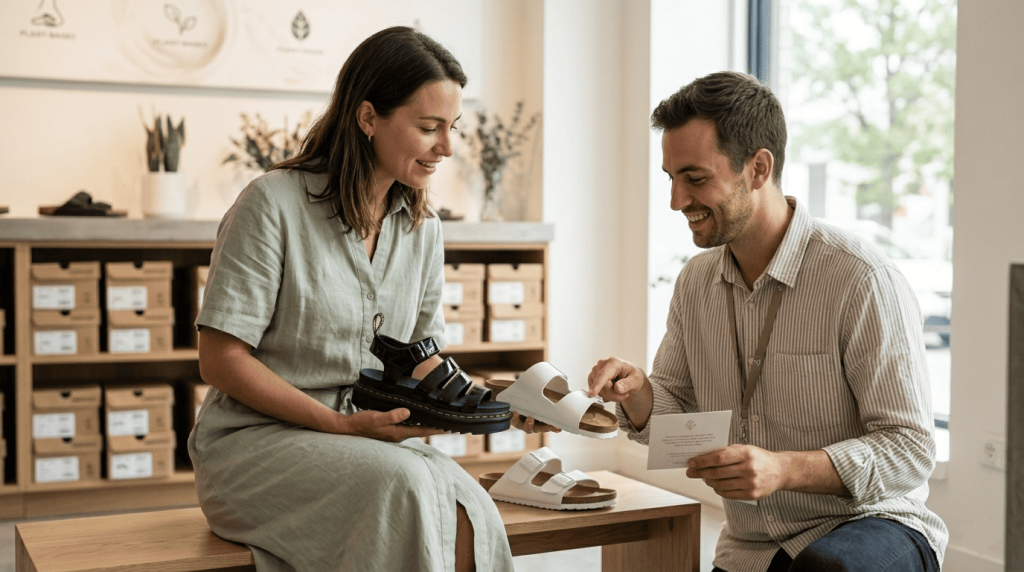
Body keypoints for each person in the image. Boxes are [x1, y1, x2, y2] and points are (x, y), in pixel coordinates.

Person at [587, 71, 947, 572]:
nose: (676, 201)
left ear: (758, 168)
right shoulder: (695, 283)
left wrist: (784, 468)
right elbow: (679, 426)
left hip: (869, 525)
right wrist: (639, 393)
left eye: (695, 178)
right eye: (670, 178)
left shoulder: (861, 278)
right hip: (752, 547)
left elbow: (909, 450)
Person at [188, 26, 513, 572]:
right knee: (406, 485)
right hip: (254, 446)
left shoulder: (424, 229)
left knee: (469, 507)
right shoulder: (271, 204)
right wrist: (334, 424)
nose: (447, 148)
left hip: (366, 437)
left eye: (451, 128)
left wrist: (497, 403)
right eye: (429, 127)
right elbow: (220, 360)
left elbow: (418, 358)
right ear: (368, 118)